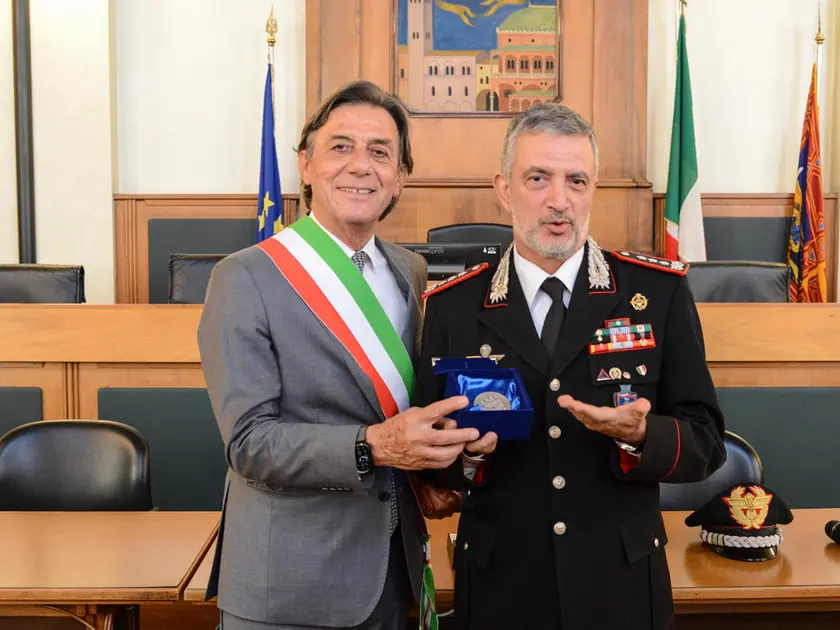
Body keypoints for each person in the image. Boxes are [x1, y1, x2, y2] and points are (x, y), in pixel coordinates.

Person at [414, 102, 726, 630]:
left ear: (593, 190)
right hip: (500, 586)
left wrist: (640, 436)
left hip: (620, 586)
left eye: (576, 181)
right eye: (538, 178)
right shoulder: (453, 306)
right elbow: (429, 463)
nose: (559, 200)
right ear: (505, 189)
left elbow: (706, 442)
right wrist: (465, 456)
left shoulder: (657, 294)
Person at [198, 80, 483, 630]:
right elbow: (249, 443)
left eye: (380, 152)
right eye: (340, 147)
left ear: (400, 176)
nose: (360, 166)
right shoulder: (244, 277)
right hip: (290, 585)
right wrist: (374, 445)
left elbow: (404, 404)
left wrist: (444, 467)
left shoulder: (410, 271)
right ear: (306, 165)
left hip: (393, 570)